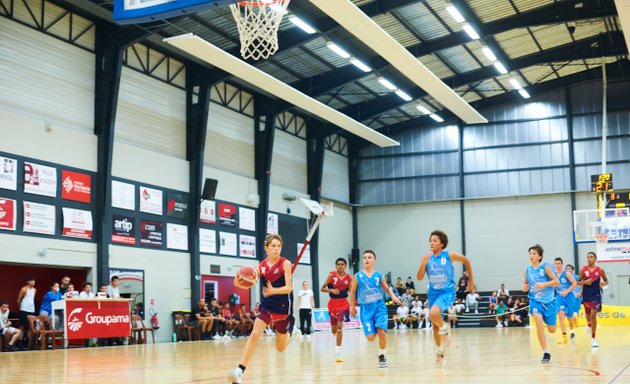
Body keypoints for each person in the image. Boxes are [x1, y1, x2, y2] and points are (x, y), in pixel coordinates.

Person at [227, 234, 294, 384]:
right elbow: (249, 280)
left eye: (279, 246)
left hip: (282, 307)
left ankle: (291, 331)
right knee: (255, 333)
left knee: (280, 348)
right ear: (266, 248)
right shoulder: (261, 266)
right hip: (266, 306)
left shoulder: (285, 263)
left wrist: (272, 291)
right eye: (273, 246)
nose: (276, 249)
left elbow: (289, 288)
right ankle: (239, 371)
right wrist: (238, 282)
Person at [416, 230, 474, 368]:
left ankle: (445, 329)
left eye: (435, 240)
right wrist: (423, 263)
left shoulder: (449, 255)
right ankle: (439, 354)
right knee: (434, 326)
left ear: (442, 244)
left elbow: (466, 260)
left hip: (447, 292)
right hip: (433, 293)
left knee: (433, 314)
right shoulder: (426, 257)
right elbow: (419, 277)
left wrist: (471, 280)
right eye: (430, 240)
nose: (431, 242)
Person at [349, 249, 402, 368]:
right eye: (365, 258)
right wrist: (352, 307)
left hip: (379, 306)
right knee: (370, 338)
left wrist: (393, 296)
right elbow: (352, 292)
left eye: (369, 257)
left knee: (381, 332)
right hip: (365, 309)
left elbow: (387, 289)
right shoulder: (358, 276)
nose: (367, 259)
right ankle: (376, 331)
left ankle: (382, 356)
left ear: (374, 261)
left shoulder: (379, 276)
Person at [523, 244, 559, 363]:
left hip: (549, 302)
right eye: (530, 253)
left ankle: (548, 319)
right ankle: (546, 352)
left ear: (540, 256)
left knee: (552, 330)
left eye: (534, 253)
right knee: (538, 322)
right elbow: (526, 285)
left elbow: (556, 282)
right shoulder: (527, 270)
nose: (531, 255)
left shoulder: (545, 268)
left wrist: (543, 284)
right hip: (535, 301)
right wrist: (524, 287)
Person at [320, 257, 351, 362]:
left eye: (342, 264)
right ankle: (334, 330)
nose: (340, 266)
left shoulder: (348, 277)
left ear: (345, 266)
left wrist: (354, 286)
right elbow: (322, 288)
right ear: (336, 266)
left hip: (343, 303)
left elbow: (351, 289)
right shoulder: (331, 275)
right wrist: (332, 290)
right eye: (338, 264)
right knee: (334, 330)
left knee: (339, 328)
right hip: (333, 304)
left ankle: (338, 351)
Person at [578, 251, 609, 348]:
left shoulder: (600, 270)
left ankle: (593, 338)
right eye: (588, 257)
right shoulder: (583, 270)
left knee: (593, 315)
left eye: (591, 257)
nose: (589, 258)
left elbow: (606, 280)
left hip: (596, 295)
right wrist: (584, 282)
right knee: (588, 316)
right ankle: (588, 325)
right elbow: (577, 282)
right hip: (586, 295)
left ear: (595, 259)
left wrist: (604, 284)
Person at [553, 257, 577, 343]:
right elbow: (554, 286)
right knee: (561, 315)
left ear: (562, 264)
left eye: (559, 263)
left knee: (569, 318)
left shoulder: (566, 273)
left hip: (569, 296)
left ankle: (572, 328)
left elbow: (575, 283)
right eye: (555, 263)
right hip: (559, 297)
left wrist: (567, 291)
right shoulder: (554, 275)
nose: (557, 265)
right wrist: (554, 287)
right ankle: (564, 337)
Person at [565, 264, 581, 336]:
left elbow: (582, 285)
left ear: (572, 270)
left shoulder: (576, 277)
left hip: (576, 298)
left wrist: (580, 292)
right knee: (569, 316)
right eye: (566, 268)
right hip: (568, 298)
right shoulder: (564, 278)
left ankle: (575, 319)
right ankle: (572, 331)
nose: (567, 269)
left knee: (575, 313)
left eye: (569, 268)